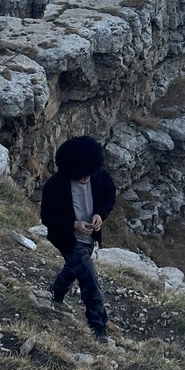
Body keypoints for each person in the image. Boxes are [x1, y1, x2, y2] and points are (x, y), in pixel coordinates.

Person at [40, 136, 116, 343]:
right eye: (80, 175)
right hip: (67, 239)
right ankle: (98, 329)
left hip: (89, 237)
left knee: (75, 269)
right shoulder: (54, 187)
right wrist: (74, 224)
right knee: (89, 278)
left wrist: (100, 214)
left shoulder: (100, 176)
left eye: (87, 174)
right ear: (69, 170)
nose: (85, 179)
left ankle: (55, 292)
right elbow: (47, 217)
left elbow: (110, 196)